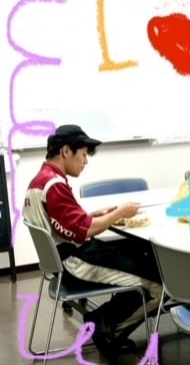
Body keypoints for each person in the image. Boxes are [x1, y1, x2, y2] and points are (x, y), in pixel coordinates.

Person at [22, 125, 163, 362]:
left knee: (143, 255)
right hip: (76, 262)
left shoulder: (42, 179)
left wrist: (95, 215)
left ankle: (105, 318)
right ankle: (108, 329)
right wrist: (119, 213)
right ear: (66, 151)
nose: (86, 161)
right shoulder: (54, 185)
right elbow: (83, 230)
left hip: (65, 258)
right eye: (84, 154)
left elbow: (64, 222)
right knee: (160, 283)